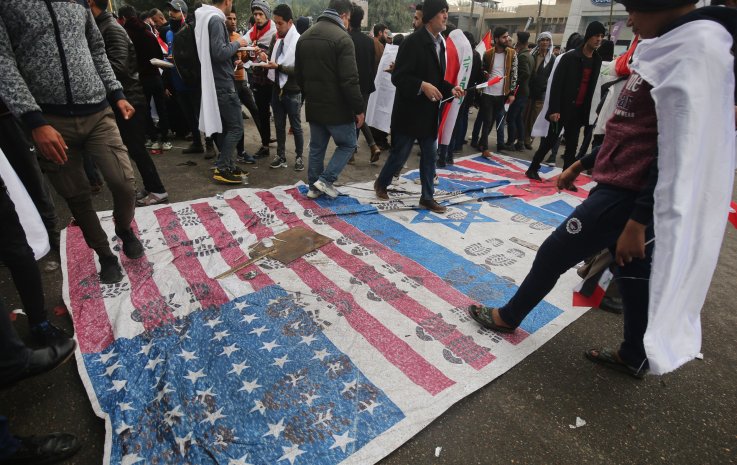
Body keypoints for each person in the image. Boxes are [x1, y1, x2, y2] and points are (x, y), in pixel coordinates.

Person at [469, 0, 736, 378]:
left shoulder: (690, 52)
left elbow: (675, 151)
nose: (629, 20)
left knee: (553, 253)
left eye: (634, 8)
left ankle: (508, 316)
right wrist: (580, 163)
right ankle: (634, 354)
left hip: (625, 196)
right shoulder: (664, 49)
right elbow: (628, 130)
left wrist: (638, 221)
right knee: (633, 278)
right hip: (621, 187)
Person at [1, 0, 144, 284]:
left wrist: (116, 93)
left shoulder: (78, 1)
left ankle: (124, 228)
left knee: (124, 183)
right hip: (49, 119)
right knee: (76, 195)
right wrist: (34, 120)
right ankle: (105, 255)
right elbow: (3, 60)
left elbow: (97, 49)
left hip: (97, 110)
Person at [373, 0, 465, 213]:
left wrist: (451, 88)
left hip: (429, 113)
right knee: (399, 155)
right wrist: (422, 86)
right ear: (431, 16)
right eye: (442, 12)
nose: (445, 16)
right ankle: (381, 183)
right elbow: (399, 76)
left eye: (446, 12)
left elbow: (437, 78)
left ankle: (427, 197)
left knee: (430, 156)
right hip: (409, 114)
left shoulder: (439, 44)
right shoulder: (412, 42)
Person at [90, 0, 170, 207]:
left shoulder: (111, 28)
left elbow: (118, 67)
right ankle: (152, 187)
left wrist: (87, 72)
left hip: (129, 98)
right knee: (133, 148)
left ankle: (158, 190)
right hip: (124, 97)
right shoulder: (105, 26)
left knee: (136, 149)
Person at [295, 0, 365, 199]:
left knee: (317, 147)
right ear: (343, 15)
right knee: (348, 144)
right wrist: (358, 108)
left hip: (314, 105)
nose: (348, 23)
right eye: (349, 19)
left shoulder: (305, 37)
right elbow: (350, 80)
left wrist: (310, 94)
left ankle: (313, 187)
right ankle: (325, 181)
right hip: (338, 108)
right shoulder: (342, 38)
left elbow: (299, 76)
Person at [526, 24, 604, 183]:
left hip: (579, 110)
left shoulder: (597, 60)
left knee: (572, 145)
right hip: (561, 109)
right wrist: (554, 109)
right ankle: (533, 168)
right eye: (596, 35)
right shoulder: (570, 57)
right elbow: (556, 84)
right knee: (549, 141)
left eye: (602, 36)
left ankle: (566, 178)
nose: (599, 39)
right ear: (588, 36)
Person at [195, 0, 248, 184]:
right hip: (223, 83)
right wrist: (239, 43)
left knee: (226, 128)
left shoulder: (204, 17)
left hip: (215, 81)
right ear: (227, 1)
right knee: (236, 128)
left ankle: (229, 165)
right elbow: (218, 52)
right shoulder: (216, 20)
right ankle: (223, 167)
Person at [119, 6, 173, 152]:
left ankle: (153, 138)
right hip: (155, 75)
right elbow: (159, 55)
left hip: (141, 78)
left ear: (123, 18)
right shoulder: (148, 33)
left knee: (146, 109)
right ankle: (166, 139)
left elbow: (127, 59)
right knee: (161, 107)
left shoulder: (126, 35)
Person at [259, 4, 305, 171]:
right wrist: (263, 57)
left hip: (293, 90)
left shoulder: (299, 41)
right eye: (275, 23)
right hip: (276, 88)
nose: (277, 27)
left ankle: (299, 157)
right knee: (279, 125)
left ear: (290, 22)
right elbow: (271, 55)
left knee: (296, 126)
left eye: (280, 23)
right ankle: (281, 155)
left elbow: (300, 70)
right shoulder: (276, 38)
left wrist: (278, 67)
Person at [348, 3, 381, 164]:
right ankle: (372, 146)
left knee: (352, 118)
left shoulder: (347, 39)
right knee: (359, 116)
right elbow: (372, 65)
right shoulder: (369, 41)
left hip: (352, 85)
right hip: (367, 85)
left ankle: (352, 151)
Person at [477, 27, 517, 155]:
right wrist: (485, 73)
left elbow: (514, 74)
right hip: (488, 92)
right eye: (504, 37)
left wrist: (511, 93)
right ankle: (485, 148)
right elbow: (482, 68)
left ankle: (481, 143)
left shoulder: (512, 53)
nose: (507, 39)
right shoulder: (488, 53)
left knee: (493, 119)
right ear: (497, 39)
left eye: (507, 37)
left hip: (502, 93)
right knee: (487, 120)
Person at [244, 0, 277, 160]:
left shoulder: (275, 31)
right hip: (257, 77)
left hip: (273, 77)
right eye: (255, 14)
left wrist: (266, 55)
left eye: (260, 14)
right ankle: (265, 145)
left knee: (279, 112)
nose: (257, 18)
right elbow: (244, 46)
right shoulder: (252, 31)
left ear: (267, 15)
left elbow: (280, 55)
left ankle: (283, 151)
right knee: (262, 112)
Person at [227, 7, 259, 164]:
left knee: (255, 109)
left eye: (234, 19)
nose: (233, 22)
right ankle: (239, 152)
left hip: (241, 80)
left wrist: (244, 61)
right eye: (229, 19)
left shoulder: (239, 37)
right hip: (228, 83)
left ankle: (265, 142)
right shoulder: (221, 39)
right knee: (236, 119)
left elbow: (247, 58)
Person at [523, 31, 554, 150]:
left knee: (534, 118)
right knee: (525, 116)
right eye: (543, 40)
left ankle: (529, 139)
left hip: (542, 93)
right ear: (539, 42)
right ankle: (522, 138)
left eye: (547, 40)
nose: (545, 42)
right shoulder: (532, 55)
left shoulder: (552, 59)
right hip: (529, 90)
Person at [506, 31, 532, 151]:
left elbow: (525, 73)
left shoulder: (522, 56)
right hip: (525, 91)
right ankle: (520, 142)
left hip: (519, 91)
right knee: (518, 118)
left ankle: (511, 141)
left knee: (511, 117)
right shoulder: (530, 55)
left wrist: (515, 82)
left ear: (520, 42)